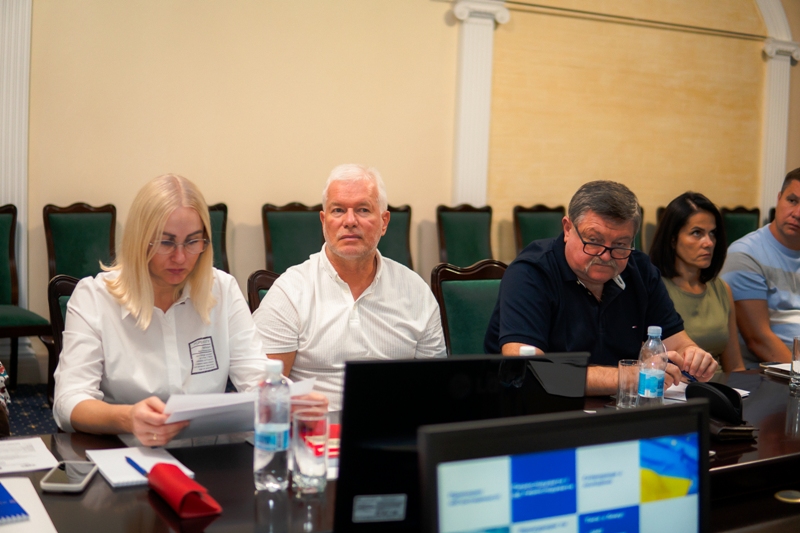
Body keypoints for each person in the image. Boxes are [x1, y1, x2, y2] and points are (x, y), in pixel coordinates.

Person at [53, 174, 277, 445]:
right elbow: (69, 401)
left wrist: (286, 397)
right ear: (139, 239)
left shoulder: (222, 290)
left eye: (193, 242)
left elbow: (257, 377)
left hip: (205, 453)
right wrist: (128, 418)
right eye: (166, 242)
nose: (180, 257)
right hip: (126, 451)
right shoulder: (94, 298)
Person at [484, 180, 718, 395]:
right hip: (534, 410)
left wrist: (693, 357)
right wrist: (627, 377)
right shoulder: (530, 273)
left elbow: (677, 342)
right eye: (594, 241)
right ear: (567, 229)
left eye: (620, 244)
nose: (606, 256)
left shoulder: (641, 270)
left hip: (617, 407)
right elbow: (528, 370)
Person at [253, 164, 446, 410]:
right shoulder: (290, 292)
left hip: (395, 427)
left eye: (363, 210)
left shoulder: (416, 292)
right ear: (324, 221)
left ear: (384, 221)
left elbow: (435, 388)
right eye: (338, 210)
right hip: (317, 428)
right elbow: (263, 393)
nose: (350, 221)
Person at [649, 192, 745, 375]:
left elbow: (735, 366)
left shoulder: (721, 289)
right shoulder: (653, 288)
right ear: (672, 239)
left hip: (719, 386)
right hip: (675, 385)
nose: (709, 243)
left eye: (712, 233)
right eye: (696, 233)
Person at [720, 168, 800, 367]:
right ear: (779, 199)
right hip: (772, 375)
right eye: (792, 201)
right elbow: (759, 340)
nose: (797, 213)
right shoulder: (745, 255)